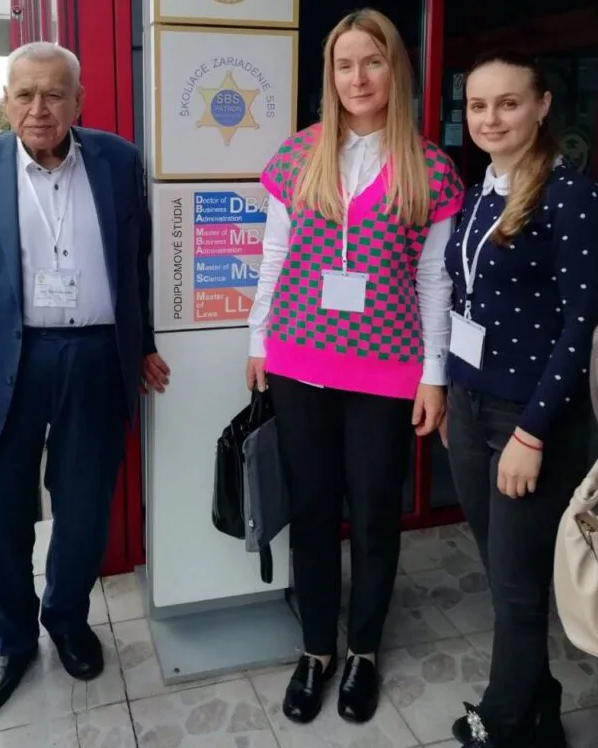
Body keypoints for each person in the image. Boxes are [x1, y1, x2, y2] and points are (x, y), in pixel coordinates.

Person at [0, 42, 169, 715]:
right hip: (3, 363)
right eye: (25, 94)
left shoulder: (119, 161)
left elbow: (135, 264)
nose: (39, 108)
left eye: (54, 94)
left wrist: (141, 342)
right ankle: (10, 641)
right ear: (5, 101)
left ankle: (66, 619)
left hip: (94, 360)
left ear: (78, 101)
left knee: (84, 509)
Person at [246, 8, 464, 725]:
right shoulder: (296, 157)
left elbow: (435, 280)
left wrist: (434, 373)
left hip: (387, 369)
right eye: (344, 65)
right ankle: (317, 649)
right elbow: (275, 256)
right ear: (329, 75)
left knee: (373, 514)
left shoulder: (431, 168)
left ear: (396, 70)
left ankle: (363, 649)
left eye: (373, 62)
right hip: (298, 361)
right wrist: (257, 341)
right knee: (311, 511)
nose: (358, 78)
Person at [442, 50, 598, 748]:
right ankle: (539, 707)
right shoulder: (480, 193)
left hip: (531, 419)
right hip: (472, 405)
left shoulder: (570, 196)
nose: (491, 118)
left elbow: (581, 324)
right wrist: (451, 392)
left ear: (541, 107)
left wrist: (531, 433)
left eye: (508, 103)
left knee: (514, 586)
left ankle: (503, 722)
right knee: (507, 570)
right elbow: (465, 299)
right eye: (478, 105)